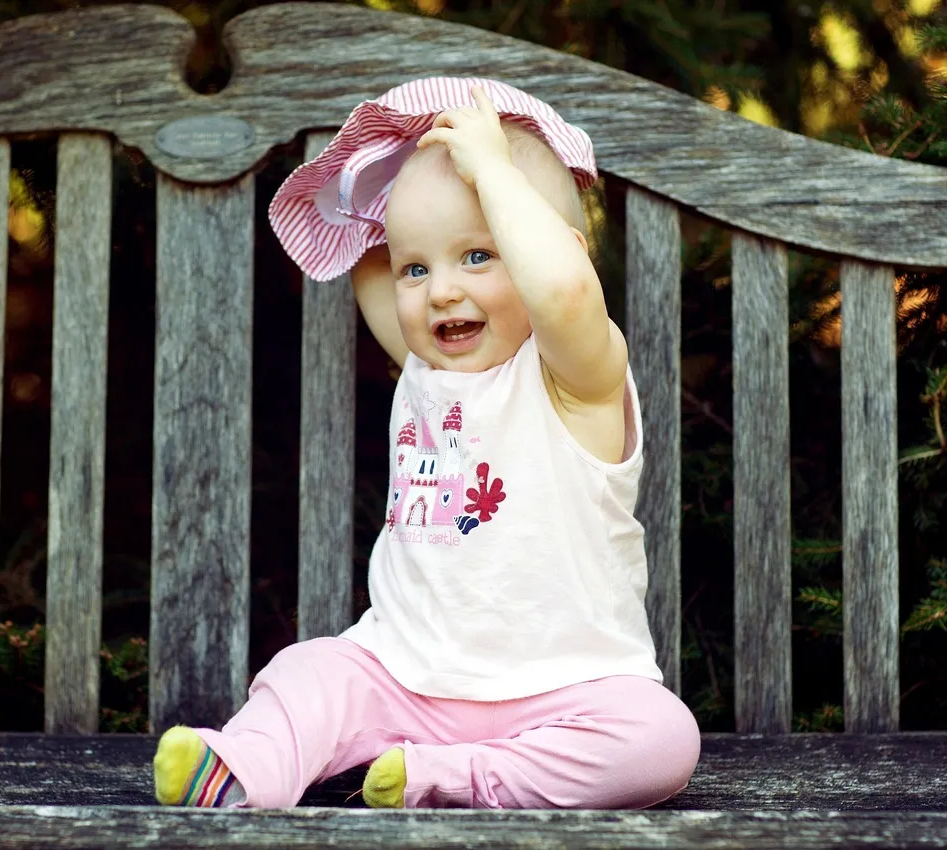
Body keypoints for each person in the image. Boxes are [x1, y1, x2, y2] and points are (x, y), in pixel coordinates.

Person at [151, 77, 700, 810]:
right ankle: (244, 770)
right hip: (403, 682)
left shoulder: (577, 378)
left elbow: (564, 291)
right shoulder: (429, 368)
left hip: (566, 694)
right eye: (421, 268)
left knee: (661, 739)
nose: (440, 290)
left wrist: (495, 170)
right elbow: (373, 250)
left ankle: (457, 776)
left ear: (552, 253)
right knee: (310, 670)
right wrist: (400, 158)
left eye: (478, 256)